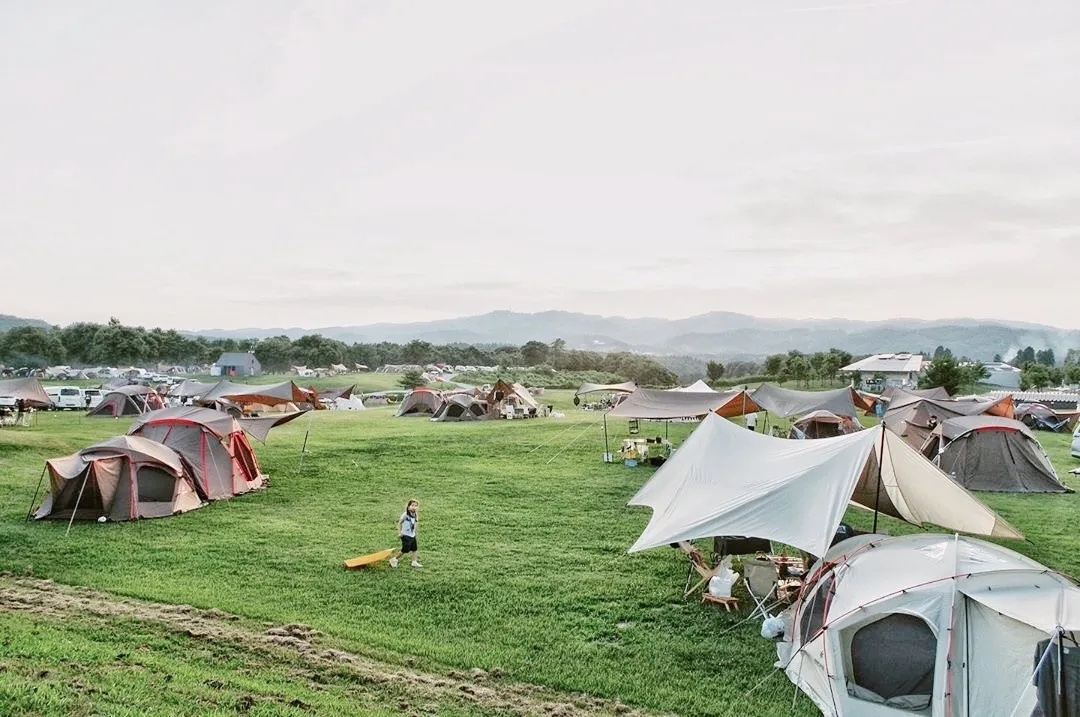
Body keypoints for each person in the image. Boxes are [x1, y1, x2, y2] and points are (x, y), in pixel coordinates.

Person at [389, 499, 421, 568]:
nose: (414, 507)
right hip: (405, 535)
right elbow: (399, 523)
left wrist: (415, 531)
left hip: (412, 534)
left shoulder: (415, 514)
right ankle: (394, 559)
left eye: (416, 506)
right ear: (408, 506)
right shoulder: (405, 514)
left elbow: (415, 522)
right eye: (412, 505)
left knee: (414, 548)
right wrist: (400, 532)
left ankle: (414, 561)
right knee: (405, 549)